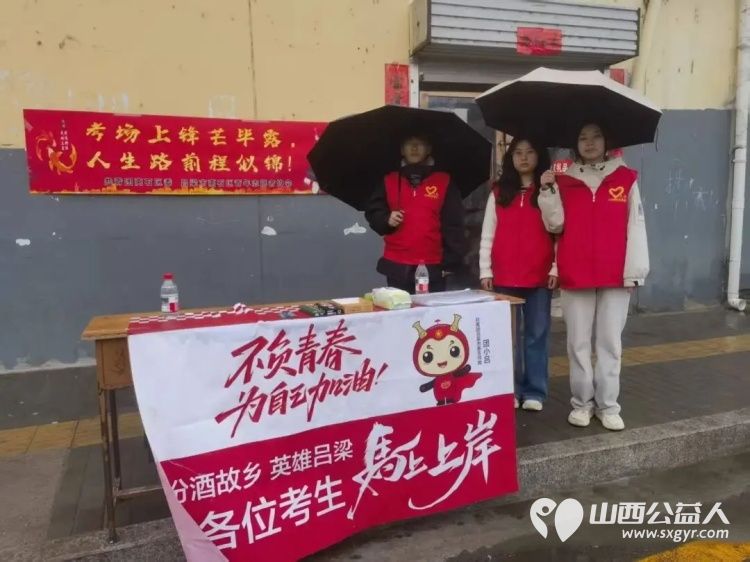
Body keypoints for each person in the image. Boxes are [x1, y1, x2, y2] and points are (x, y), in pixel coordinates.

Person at [539, 123, 649, 431]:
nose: (589, 143)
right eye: (582, 137)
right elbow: (555, 225)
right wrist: (547, 191)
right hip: (575, 272)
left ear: (607, 141)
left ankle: (608, 405)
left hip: (615, 274)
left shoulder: (625, 178)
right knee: (577, 343)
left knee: (609, 343)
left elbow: (636, 226)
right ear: (575, 144)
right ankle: (582, 404)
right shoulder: (564, 180)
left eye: (596, 136)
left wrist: (635, 272)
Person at [479, 137, 558, 412]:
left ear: (540, 156)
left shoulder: (549, 190)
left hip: (539, 276)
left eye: (530, 152)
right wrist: (485, 270)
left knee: (536, 335)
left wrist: (556, 267)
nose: (523, 157)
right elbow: (487, 233)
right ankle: (509, 389)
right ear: (510, 158)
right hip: (504, 277)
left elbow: (559, 231)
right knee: (506, 338)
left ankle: (535, 391)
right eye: (518, 153)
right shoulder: (499, 192)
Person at [364, 133, 465, 293]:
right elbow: (373, 211)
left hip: (433, 265)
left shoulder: (443, 181)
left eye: (420, 143)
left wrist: (450, 263)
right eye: (409, 144)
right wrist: (386, 219)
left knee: (431, 309)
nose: (414, 148)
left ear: (429, 149)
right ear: (401, 150)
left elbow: (453, 224)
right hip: (397, 264)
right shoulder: (389, 180)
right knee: (400, 308)